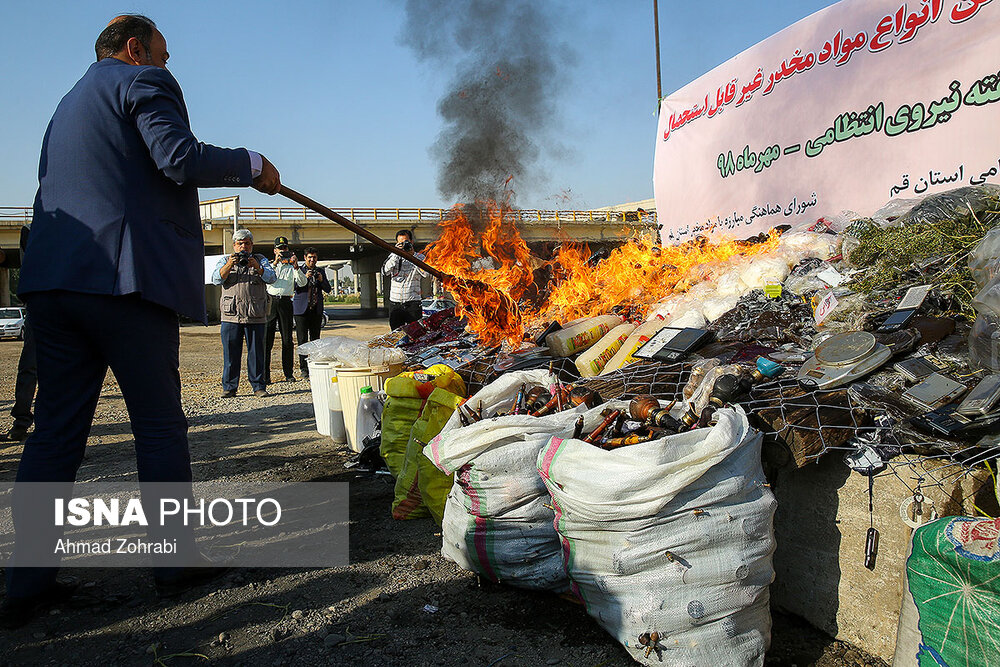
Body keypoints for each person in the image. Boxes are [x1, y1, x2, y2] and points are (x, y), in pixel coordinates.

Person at [3, 14, 281, 627]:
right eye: (163, 52)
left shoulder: (66, 104)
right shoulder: (140, 83)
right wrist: (251, 163)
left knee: (54, 434)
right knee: (157, 426)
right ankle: (174, 563)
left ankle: (25, 584)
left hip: (53, 282)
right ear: (135, 50)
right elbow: (177, 158)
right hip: (121, 279)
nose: (168, 63)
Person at [213, 230, 277, 397]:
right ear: (234, 245)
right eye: (240, 243)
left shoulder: (260, 260)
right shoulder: (225, 259)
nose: (243, 247)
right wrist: (229, 265)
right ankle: (229, 387)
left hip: (255, 314)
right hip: (231, 315)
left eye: (247, 243)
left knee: (256, 354)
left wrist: (258, 268)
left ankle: (258, 387)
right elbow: (215, 279)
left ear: (252, 245)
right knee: (231, 354)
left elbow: (272, 278)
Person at [6, 225, 36, 442]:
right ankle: (22, 421)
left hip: (59, 300)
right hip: (41, 303)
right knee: (29, 367)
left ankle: (56, 430)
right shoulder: (30, 230)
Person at [264, 236, 305, 384]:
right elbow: (266, 278)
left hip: (286, 301)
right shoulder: (270, 265)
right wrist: (275, 262)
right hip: (271, 301)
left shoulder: (292, 266)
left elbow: (302, 282)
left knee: (287, 340)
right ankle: (265, 375)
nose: (283, 251)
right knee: (267, 340)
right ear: (275, 250)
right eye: (280, 249)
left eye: (285, 248)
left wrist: (295, 266)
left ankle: (288, 373)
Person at [293, 247, 332, 378]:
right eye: (309, 257)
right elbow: (294, 287)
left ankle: (315, 366)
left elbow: (328, 289)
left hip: (316, 310)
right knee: (302, 340)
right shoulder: (298, 270)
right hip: (301, 310)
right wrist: (304, 277)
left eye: (314, 257)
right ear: (305, 258)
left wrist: (321, 280)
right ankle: (304, 369)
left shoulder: (320, 271)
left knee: (315, 340)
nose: (312, 260)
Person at [382, 230, 429, 330]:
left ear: (411, 242)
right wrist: (396, 254)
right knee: (396, 335)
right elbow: (385, 272)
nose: (403, 245)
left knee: (416, 334)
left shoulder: (420, 257)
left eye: (406, 242)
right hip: (395, 304)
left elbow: (426, 274)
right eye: (400, 243)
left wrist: (413, 257)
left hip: (413, 304)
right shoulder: (393, 257)